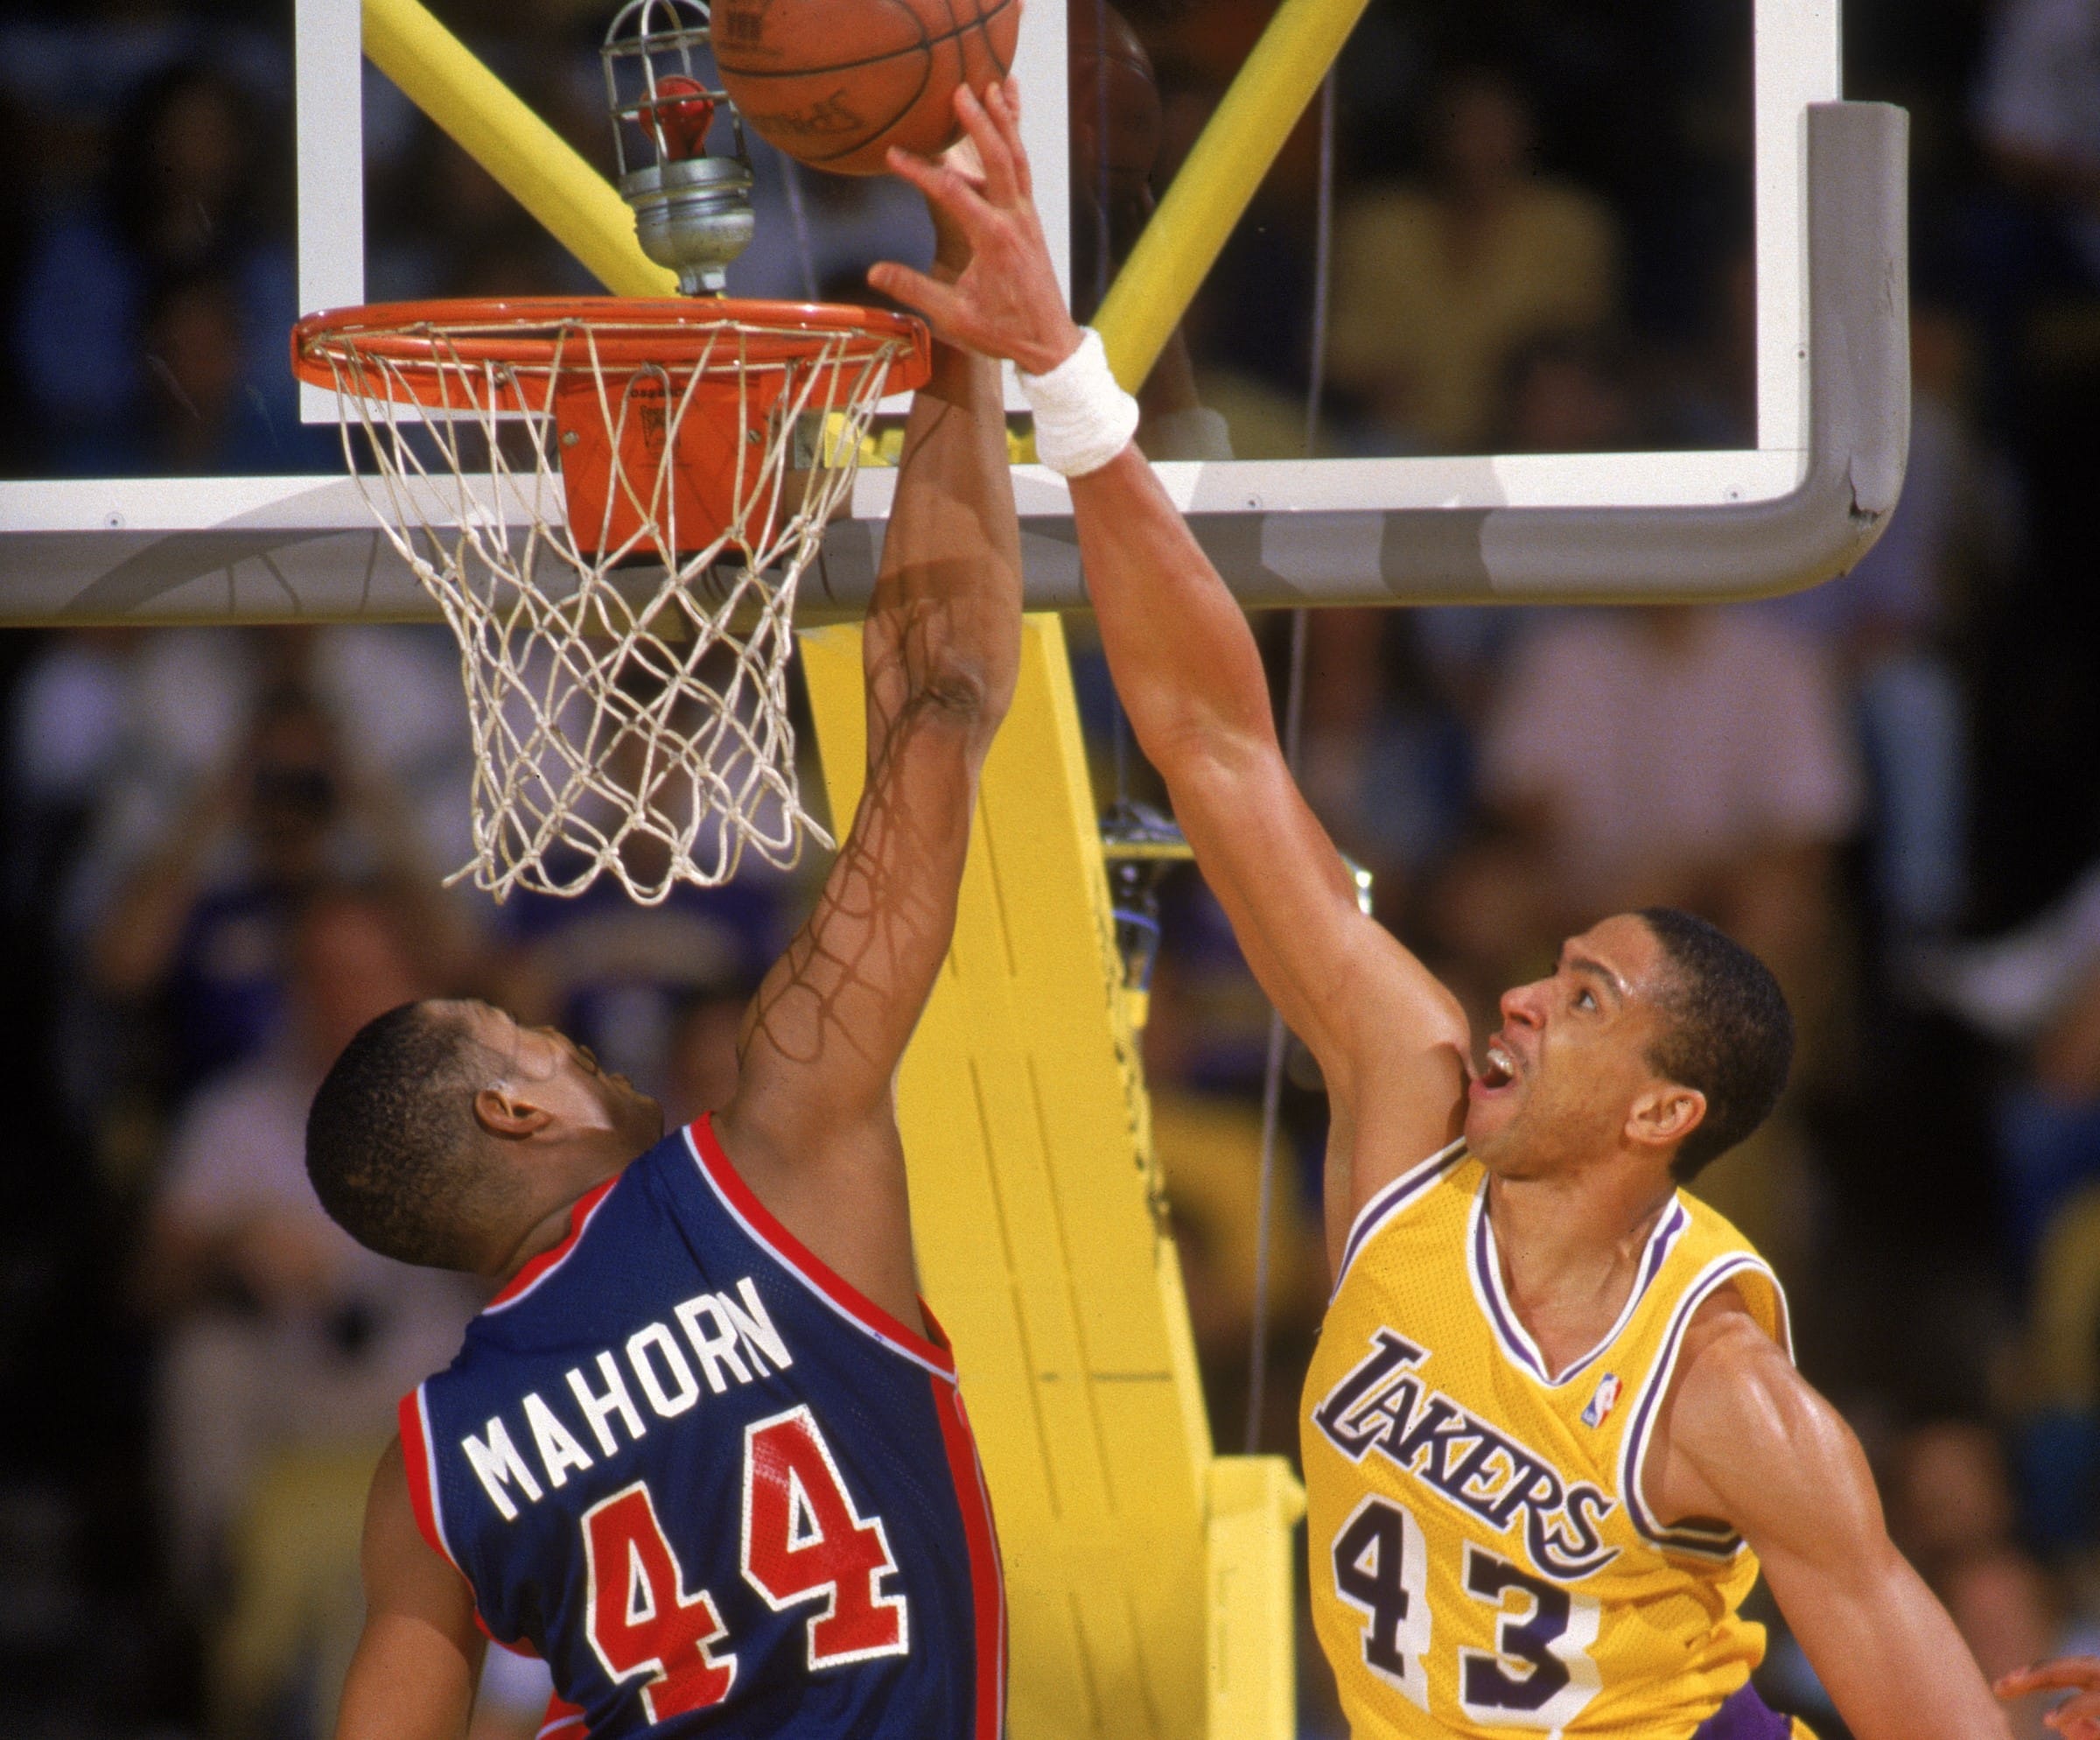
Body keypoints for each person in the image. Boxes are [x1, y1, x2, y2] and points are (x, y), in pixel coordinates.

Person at [872, 81, 2018, 1740]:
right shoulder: (1406, 1106)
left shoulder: (1726, 1398)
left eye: (1591, 1000)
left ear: (1664, 1112)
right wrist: (1063, 378)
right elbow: (1216, 749)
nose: (1527, 1002)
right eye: (1558, 972)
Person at [308, 151, 1020, 1740]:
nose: (572, 1042)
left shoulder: (431, 1469)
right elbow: (941, 701)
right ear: (515, 1111)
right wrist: (961, 356)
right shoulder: (774, 1149)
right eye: (533, 1042)